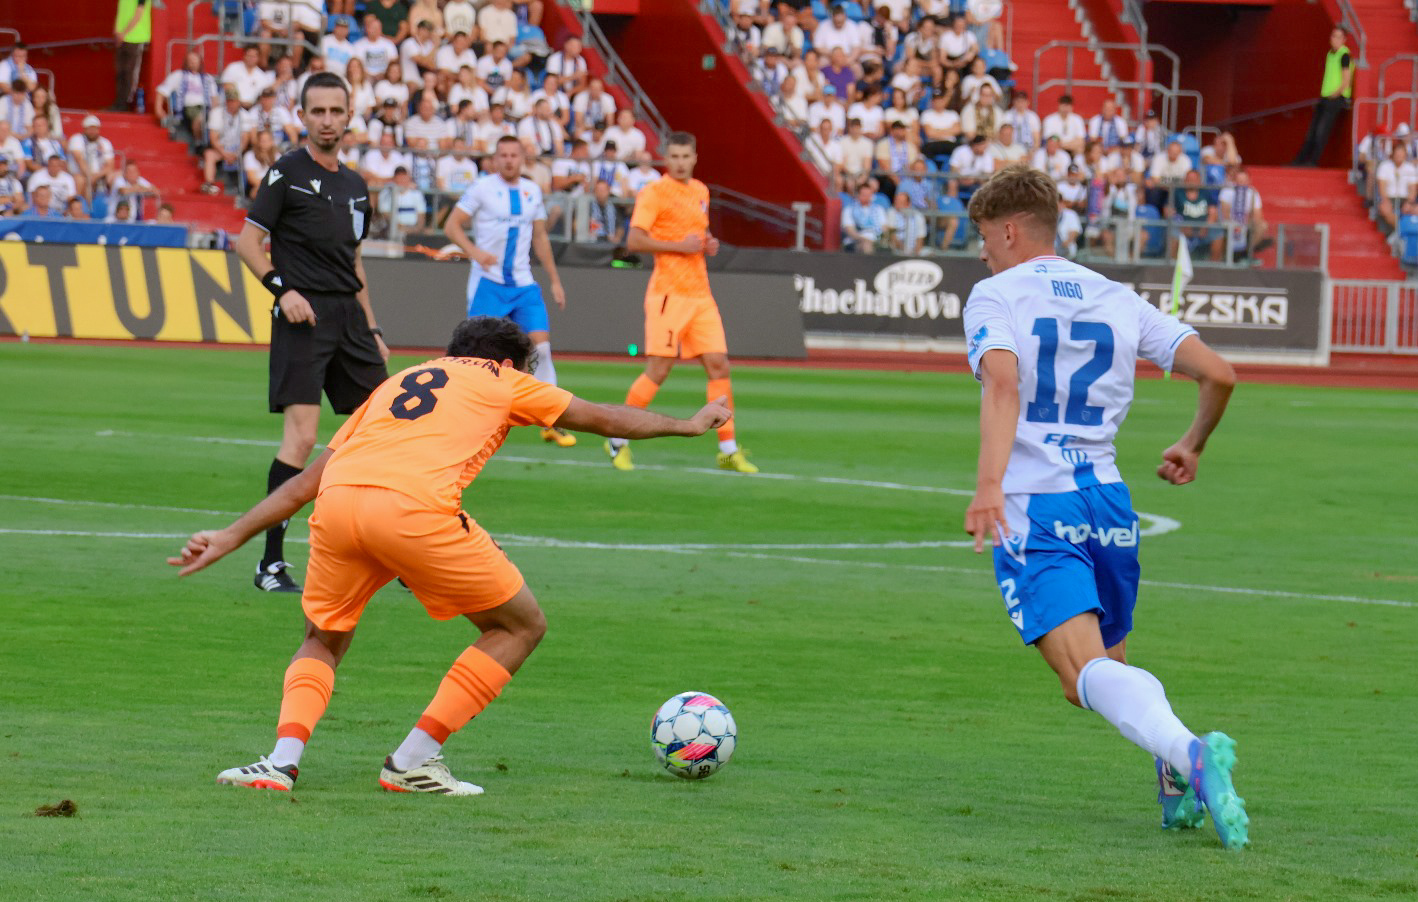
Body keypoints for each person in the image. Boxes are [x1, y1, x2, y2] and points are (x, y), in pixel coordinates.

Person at [167, 316, 732, 795]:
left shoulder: (396, 384)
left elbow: (309, 479)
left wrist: (232, 534)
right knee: (520, 625)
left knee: (322, 637)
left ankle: (280, 762)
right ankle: (412, 760)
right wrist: (687, 425)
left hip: (338, 506)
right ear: (508, 363)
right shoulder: (502, 379)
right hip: (413, 511)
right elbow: (604, 417)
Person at [960, 166, 1247, 850]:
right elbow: (1220, 373)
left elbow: (1003, 385)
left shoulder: (994, 294)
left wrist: (989, 483)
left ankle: (1190, 754)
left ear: (1008, 230)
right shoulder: (1118, 297)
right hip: (1110, 505)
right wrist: (1192, 444)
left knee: (1082, 675)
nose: (983, 254)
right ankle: (1175, 766)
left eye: (984, 238)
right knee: (1103, 671)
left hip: (1037, 504)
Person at [234, 71, 390, 594]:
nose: (327, 120)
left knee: (385, 434)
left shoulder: (356, 186)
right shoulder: (285, 172)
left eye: (335, 111)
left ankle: (392, 549)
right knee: (301, 439)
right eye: (317, 111)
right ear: (301, 117)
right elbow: (247, 243)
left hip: (351, 320)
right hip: (303, 318)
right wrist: (283, 291)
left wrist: (373, 326)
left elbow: (355, 262)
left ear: (349, 117)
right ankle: (271, 564)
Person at [609, 131, 758, 474]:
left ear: (694, 158)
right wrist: (681, 247)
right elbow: (634, 240)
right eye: (674, 157)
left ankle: (727, 449)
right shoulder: (654, 192)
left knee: (719, 366)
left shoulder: (700, 191)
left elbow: (697, 234)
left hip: (700, 293)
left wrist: (707, 244)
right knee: (659, 369)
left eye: (685, 156)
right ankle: (617, 439)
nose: (679, 163)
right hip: (668, 294)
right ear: (666, 159)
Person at [443, 135, 574, 447]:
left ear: (522, 159)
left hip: (524, 283)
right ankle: (463, 415)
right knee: (475, 356)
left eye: (514, 155)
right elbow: (452, 226)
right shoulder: (482, 188)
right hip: (488, 283)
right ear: (495, 159)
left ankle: (552, 422)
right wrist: (475, 252)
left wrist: (554, 280)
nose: (509, 160)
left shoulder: (532, 191)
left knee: (542, 349)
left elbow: (540, 237)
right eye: (503, 155)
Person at [1294, 26, 1353, 167]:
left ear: (1344, 40)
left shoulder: (1344, 55)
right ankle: (1299, 161)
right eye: (1333, 36)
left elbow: (1346, 79)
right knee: (1312, 131)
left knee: (1321, 131)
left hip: (1335, 98)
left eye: (1338, 37)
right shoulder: (1330, 54)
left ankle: (1312, 162)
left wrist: (1335, 94)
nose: (1334, 39)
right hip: (1325, 97)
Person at [112, 0, 151, 112]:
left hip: (136, 37)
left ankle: (126, 104)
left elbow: (139, 12)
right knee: (120, 72)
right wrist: (117, 31)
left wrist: (123, 33)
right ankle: (119, 103)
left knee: (130, 72)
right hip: (122, 38)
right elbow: (120, 13)